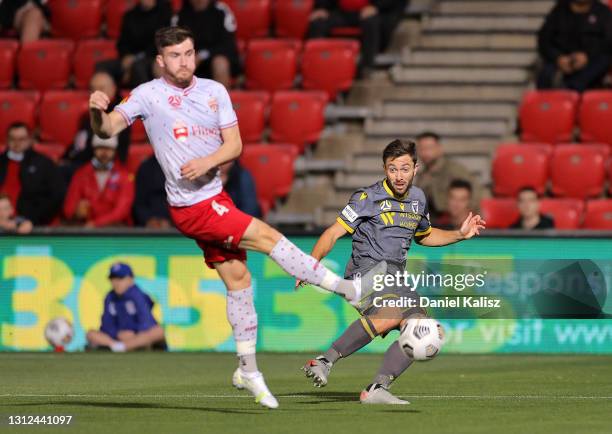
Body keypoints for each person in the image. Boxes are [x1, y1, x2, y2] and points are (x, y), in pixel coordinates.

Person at [88, 26, 381, 409]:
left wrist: (208, 162)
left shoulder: (214, 92)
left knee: (239, 279)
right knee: (267, 238)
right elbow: (108, 129)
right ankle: (347, 290)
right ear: (161, 60)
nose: (185, 61)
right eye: (176, 56)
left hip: (215, 196)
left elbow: (236, 145)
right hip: (191, 208)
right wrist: (97, 112)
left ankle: (246, 368)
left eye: (190, 53)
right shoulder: (147, 95)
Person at [300, 139, 485, 404]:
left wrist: (459, 234)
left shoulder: (419, 199)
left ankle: (377, 387)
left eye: (404, 169)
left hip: (395, 277)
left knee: (423, 326)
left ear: (415, 168)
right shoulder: (366, 198)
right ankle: (324, 361)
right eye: (393, 169)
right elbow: (333, 233)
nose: (399, 176)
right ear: (385, 169)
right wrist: (311, 264)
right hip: (366, 274)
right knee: (394, 312)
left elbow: (425, 235)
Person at [62, 71, 131, 182]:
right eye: (93, 89)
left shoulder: (120, 114)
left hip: (99, 168)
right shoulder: (87, 116)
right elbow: (79, 142)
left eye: (101, 88)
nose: (96, 93)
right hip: (78, 164)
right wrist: (65, 157)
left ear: (113, 88)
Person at [306, 0, 408, 74]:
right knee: (317, 23)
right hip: (343, 12)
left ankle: (366, 66)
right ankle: (315, 64)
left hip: (373, 11)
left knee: (371, 22)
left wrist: (376, 7)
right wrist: (322, 8)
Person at [86, 262, 166, 352]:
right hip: (118, 338)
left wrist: (133, 333)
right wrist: (118, 333)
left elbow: (146, 322)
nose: (116, 282)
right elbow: (106, 324)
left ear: (130, 279)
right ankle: (119, 347)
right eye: (113, 279)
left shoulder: (137, 295)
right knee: (91, 334)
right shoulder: (110, 297)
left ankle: (123, 347)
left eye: (120, 278)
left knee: (158, 331)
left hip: (138, 336)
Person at [537, 0, 612, 92]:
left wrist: (587, 56)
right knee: (546, 73)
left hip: (591, 62)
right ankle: (548, 101)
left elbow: (608, 42)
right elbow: (544, 40)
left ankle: (570, 89)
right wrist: (558, 58)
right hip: (562, 60)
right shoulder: (559, 10)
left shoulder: (603, 12)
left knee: (604, 59)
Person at [0, 122, 65, 226]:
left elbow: (56, 196)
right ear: (7, 140)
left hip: (32, 224)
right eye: (13, 139)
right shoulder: (1, 161)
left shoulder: (44, 164)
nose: (17, 143)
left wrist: (32, 220)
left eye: (21, 139)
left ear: (29, 140)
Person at [63, 135, 135, 227]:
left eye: (109, 148)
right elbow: (68, 208)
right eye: (100, 148)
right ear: (94, 149)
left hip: (115, 230)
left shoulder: (125, 176)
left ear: (115, 150)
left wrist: (96, 224)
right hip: (85, 230)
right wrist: (76, 212)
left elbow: (122, 211)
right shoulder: (81, 174)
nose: (104, 152)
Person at [98, 0, 173, 88]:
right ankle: (113, 98)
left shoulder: (165, 14)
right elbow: (122, 43)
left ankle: (145, 98)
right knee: (101, 66)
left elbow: (161, 43)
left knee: (138, 66)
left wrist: (135, 58)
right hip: (130, 57)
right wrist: (126, 56)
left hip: (152, 57)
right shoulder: (130, 16)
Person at [414, 131, 479, 220]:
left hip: (453, 220)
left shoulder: (454, 170)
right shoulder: (422, 175)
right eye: (421, 149)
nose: (425, 153)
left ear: (439, 149)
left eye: (429, 148)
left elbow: (475, 192)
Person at [177, 0, 241, 88]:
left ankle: (222, 100)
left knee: (220, 63)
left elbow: (227, 45)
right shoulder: (181, 14)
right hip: (190, 59)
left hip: (217, 56)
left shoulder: (221, 11)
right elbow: (175, 44)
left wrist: (202, 55)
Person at [132, 155, 172, 227]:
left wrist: (171, 221)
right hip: (148, 225)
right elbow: (138, 202)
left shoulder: (182, 164)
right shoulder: (145, 167)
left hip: (175, 224)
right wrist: (148, 219)